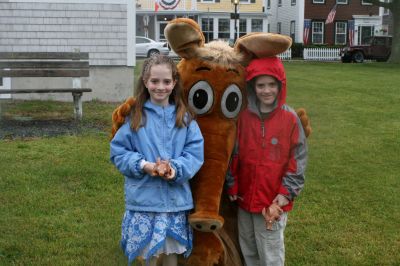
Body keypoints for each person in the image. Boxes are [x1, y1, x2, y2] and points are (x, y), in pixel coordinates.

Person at [110, 55, 204, 266]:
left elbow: (195, 154)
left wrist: (175, 169)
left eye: (166, 82)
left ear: (174, 83)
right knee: (150, 258)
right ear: (145, 81)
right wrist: (144, 165)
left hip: (175, 202)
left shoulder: (185, 118)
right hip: (144, 201)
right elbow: (119, 152)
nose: (160, 87)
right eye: (154, 81)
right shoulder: (134, 116)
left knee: (171, 257)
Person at [225, 56, 308, 266]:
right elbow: (233, 154)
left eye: (272, 84)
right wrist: (232, 184)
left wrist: (284, 195)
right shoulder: (243, 116)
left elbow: (297, 161)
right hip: (245, 200)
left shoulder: (289, 119)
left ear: (280, 85)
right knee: (249, 250)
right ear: (252, 87)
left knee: (270, 254)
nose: (266, 90)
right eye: (261, 85)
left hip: (272, 203)